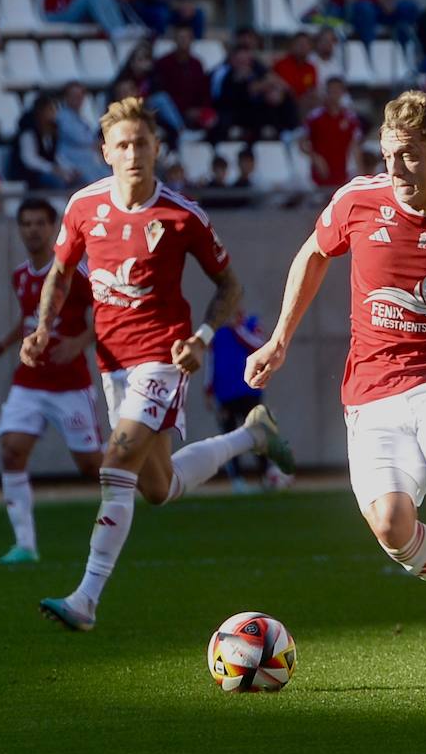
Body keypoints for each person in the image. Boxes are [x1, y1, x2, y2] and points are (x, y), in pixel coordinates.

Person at [245, 90, 426, 676]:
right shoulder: (358, 201)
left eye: (411, 156)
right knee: (393, 527)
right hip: (371, 390)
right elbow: (314, 255)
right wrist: (279, 339)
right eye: (388, 154)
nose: (395, 169)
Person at [31, 97, 295, 632]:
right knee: (157, 487)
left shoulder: (181, 215)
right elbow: (60, 274)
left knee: (115, 463)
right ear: (105, 151)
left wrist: (200, 338)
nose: (133, 154)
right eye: (122, 145)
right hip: (113, 362)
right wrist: (42, 327)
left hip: (163, 357)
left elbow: (230, 285)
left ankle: (86, 599)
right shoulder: (84, 207)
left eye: (142, 144)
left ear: (157, 148)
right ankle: (252, 436)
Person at [0, 198, 104, 564]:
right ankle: (25, 545)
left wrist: (79, 343)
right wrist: (3, 344)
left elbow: (103, 316)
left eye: (39, 223)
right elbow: (30, 320)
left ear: (54, 228)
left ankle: (136, 472)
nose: (32, 230)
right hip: (29, 380)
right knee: (12, 450)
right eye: (26, 223)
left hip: (70, 385)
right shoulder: (20, 275)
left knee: (90, 465)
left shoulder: (75, 273)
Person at [208, 311, 288, 491]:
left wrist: (238, 329)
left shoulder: (251, 324)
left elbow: (260, 346)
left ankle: (266, 476)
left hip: (249, 390)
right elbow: (211, 361)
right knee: (228, 437)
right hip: (225, 394)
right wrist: (209, 389)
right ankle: (237, 480)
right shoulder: (218, 332)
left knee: (258, 435)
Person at [300, 76, 360, 191]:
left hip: (343, 174)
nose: (334, 95)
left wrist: (359, 172)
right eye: (331, 91)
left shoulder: (350, 118)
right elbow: (302, 144)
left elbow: (355, 146)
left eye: (337, 91)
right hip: (320, 174)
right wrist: (316, 158)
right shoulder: (315, 117)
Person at [13, 94, 72, 190]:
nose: (54, 114)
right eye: (50, 110)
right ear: (40, 112)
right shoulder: (28, 134)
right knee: (57, 182)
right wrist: (52, 169)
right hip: (32, 174)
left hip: (49, 171)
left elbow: (56, 156)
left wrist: (68, 169)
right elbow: (30, 160)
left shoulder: (53, 133)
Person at [57, 81, 110, 184]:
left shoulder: (80, 117)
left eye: (80, 95)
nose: (78, 99)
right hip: (74, 162)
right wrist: (98, 143)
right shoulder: (63, 117)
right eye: (74, 95)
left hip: (91, 162)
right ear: (66, 97)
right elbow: (82, 139)